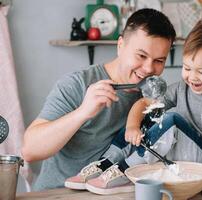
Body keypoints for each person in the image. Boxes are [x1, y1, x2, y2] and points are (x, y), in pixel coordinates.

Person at [76, 22, 202, 198]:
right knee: (148, 116)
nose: (192, 77)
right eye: (187, 68)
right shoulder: (180, 88)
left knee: (171, 119)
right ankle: (105, 164)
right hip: (186, 158)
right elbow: (143, 104)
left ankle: (126, 171)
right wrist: (132, 126)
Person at [21, 8, 176, 191]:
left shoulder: (152, 95)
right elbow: (29, 150)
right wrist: (83, 112)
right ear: (120, 45)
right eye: (141, 56)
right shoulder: (78, 84)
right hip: (57, 193)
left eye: (159, 60)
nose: (149, 68)